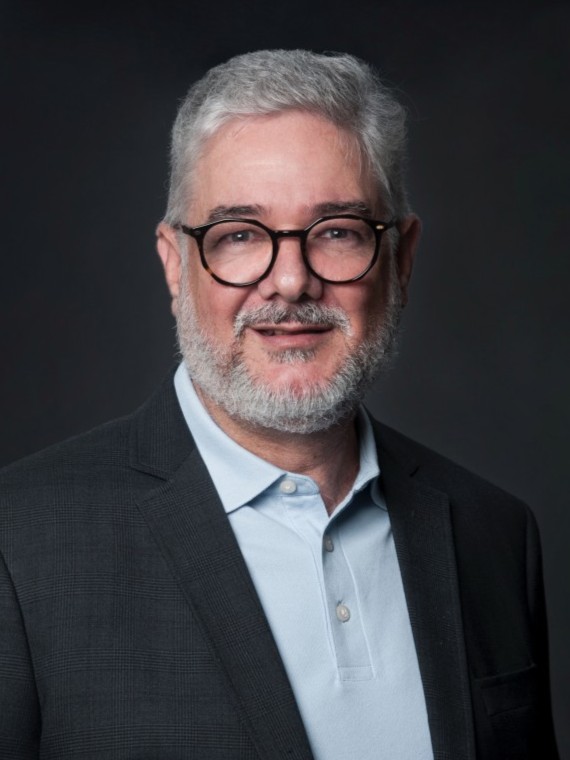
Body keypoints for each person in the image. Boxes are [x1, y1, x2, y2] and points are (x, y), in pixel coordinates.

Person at [0, 49, 559, 760]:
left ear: (402, 258)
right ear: (175, 265)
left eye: (337, 231)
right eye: (239, 235)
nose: (291, 282)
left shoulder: (493, 535)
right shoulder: (19, 546)